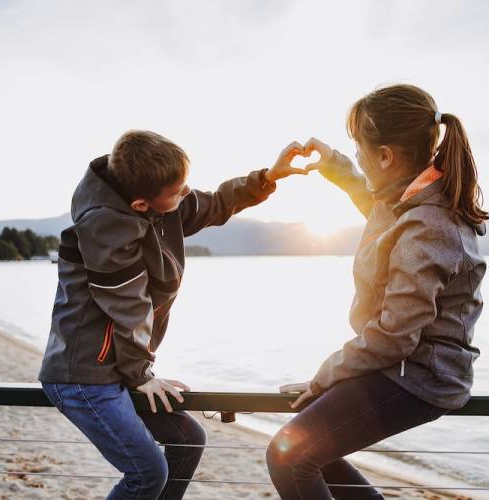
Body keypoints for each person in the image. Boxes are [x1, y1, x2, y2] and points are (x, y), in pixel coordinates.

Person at [39, 130, 308, 500]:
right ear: (140, 204)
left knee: (188, 438)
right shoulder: (105, 227)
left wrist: (267, 178)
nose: (186, 195)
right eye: (179, 191)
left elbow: (213, 204)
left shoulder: (159, 204)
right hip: (83, 376)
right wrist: (141, 374)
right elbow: (128, 306)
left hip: (115, 369)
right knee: (147, 473)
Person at [266, 84, 489, 499]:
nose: (356, 156)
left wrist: (327, 374)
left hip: (420, 377)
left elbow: (394, 336)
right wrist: (333, 164)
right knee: (309, 450)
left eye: (358, 147)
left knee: (288, 454)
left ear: (385, 156)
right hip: (398, 366)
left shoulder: (428, 225)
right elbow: (372, 202)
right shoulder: (407, 202)